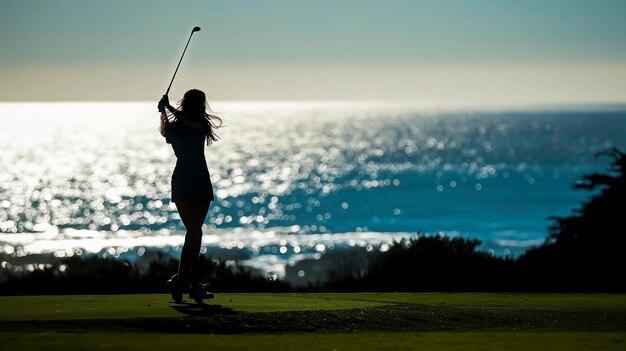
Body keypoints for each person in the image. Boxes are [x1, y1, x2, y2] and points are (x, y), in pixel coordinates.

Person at [158, 89, 222, 303]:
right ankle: (187, 283)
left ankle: (184, 282)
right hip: (192, 180)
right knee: (194, 233)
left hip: (190, 181)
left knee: (194, 233)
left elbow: (172, 129)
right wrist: (164, 112)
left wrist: (167, 110)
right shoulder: (187, 125)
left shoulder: (198, 125)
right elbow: (166, 132)